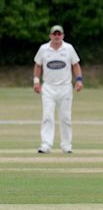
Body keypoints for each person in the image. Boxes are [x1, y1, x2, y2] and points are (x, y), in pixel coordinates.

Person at [33, 25, 83, 154]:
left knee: (65, 118)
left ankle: (66, 145)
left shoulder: (69, 48)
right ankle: (46, 145)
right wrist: (36, 81)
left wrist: (79, 80)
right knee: (47, 116)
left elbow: (76, 65)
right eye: (54, 34)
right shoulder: (44, 49)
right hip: (48, 87)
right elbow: (38, 65)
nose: (56, 36)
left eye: (59, 34)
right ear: (50, 36)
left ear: (62, 35)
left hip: (65, 88)